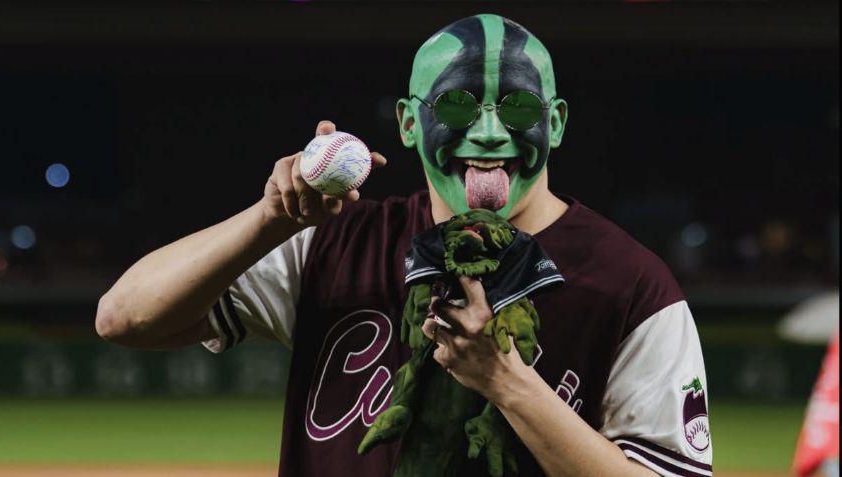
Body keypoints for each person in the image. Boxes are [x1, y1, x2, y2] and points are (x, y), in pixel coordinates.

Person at [96, 14, 712, 477]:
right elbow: (124, 317)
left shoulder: (632, 283)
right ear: (410, 123)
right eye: (457, 104)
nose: (490, 132)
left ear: (554, 123)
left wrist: (506, 382)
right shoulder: (335, 242)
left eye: (519, 106)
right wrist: (271, 216)